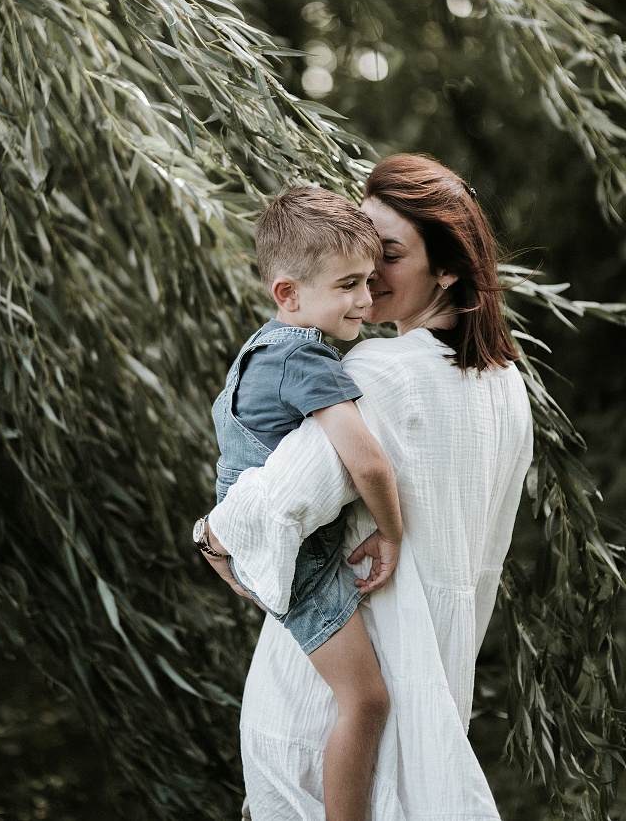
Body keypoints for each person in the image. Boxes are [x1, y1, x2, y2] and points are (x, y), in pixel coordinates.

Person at [203, 154, 534, 821]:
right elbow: (484, 567)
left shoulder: (381, 374)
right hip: (427, 699)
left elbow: (273, 506)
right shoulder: (508, 389)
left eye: (387, 253)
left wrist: (208, 534)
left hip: (321, 724)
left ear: (447, 269)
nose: (366, 275)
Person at [194, 187, 403, 821]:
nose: (366, 300)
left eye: (369, 280)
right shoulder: (304, 357)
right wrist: (391, 532)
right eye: (348, 285)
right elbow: (365, 459)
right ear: (289, 293)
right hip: (300, 555)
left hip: (258, 532)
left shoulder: (260, 347)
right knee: (366, 701)